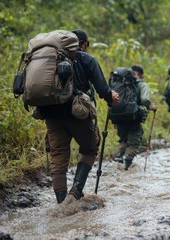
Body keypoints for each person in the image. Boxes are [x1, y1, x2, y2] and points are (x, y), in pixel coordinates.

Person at [39, 29, 119, 204]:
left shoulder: (50, 60)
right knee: (90, 147)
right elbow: (102, 88)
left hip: (51, 114)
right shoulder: (86, 59)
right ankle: (75, 193)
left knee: (58, 156)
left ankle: (62, 203)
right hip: (77, 113)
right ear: (84, 44)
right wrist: (110, 96)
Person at [113, 65, 157, 170]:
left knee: (123, 139)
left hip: (118, 115)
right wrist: (151, 107)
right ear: (141, 75)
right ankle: (128, 162)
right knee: (134, 140)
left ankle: (119, 156)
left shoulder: (120, 82)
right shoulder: (141, 84)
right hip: (133, 116)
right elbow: (145, 100)